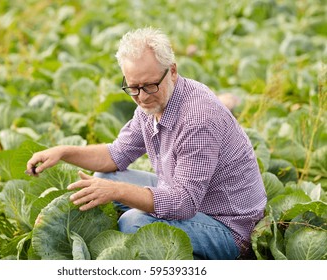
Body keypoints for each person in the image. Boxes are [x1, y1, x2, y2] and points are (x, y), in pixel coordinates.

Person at [26, 27, 267, 260]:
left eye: (150, 85)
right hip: (181, 193)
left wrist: (117, 193)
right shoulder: (153, 102)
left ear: (172, 71)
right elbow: (116, 155)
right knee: (104, 178)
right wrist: (63, 152)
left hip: (227, 225)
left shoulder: (198, 119)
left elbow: (184, 204)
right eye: (133, 87)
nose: (141, 97)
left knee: (134, 223)